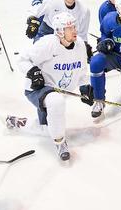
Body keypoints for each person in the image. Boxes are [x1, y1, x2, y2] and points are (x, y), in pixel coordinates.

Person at [10, 12, 93, 161]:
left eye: (74, 26)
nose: (74, 30)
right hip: (38, 88)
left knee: (45, 128)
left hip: (60, 91)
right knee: (55, 102)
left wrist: (84, 86)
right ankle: (60, 142)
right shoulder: (48, 43)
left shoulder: (79, 44)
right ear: (60, 31)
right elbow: (22, 59)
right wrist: (32, 71)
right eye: (69, 28)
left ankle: (18, 122)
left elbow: (81, 70)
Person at [25, 0, 92, 59]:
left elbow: (82, 34)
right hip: (47, 30)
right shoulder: (51, 2)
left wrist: (84, 47)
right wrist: (33, 23)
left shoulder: (84, 10)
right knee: (40, 51)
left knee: (63, 57)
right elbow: (35, 12)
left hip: (67, 33)